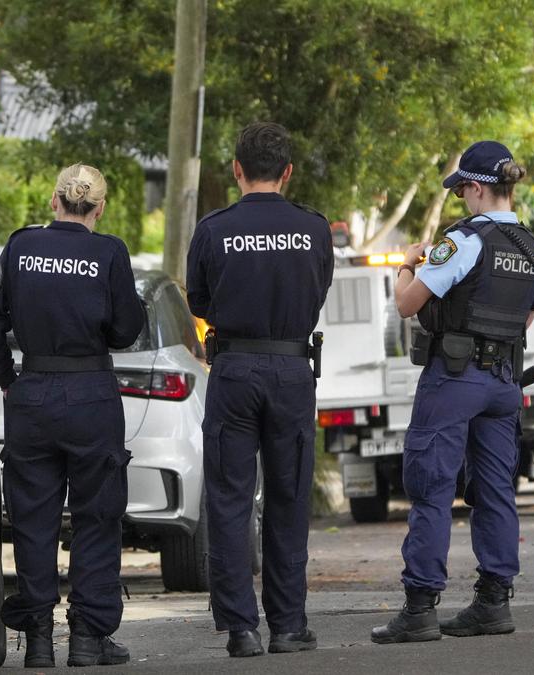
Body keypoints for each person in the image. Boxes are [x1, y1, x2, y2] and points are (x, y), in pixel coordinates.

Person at [371, 140, 534, 644]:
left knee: (430, 487)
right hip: (504, 384)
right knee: (494, 490)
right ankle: (493, 602)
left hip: (454, 378)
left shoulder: (462, 242)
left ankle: (420, 608)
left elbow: (408, 305)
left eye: (462, 193)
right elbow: (525, 319)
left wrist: (406, 264)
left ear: (475, 188)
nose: (461, 202)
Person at [0, 164, 146, 667]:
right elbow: (125, 330)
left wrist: (7, 379)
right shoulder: (108, 252)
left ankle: (39, 642)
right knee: (96, 516)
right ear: (99, 208)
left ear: (55, 201)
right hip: (92, 395)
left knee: (33, 520)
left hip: (33, 394)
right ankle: (89, 639)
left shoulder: (21, 247)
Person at [186, 122, 334, 657]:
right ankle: (289, 626)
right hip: (293, 371)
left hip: (235, 370)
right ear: (288, 172)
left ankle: (240, 628)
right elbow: (317, 293)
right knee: (289, 497)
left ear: (236, 170)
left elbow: (198, 303)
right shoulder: (313, 229)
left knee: (229, 499)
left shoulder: (213, 229)